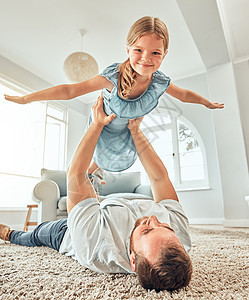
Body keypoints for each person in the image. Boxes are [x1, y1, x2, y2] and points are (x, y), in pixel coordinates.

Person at [0, 93, 192, 292]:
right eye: (165, 227)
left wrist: (97, 124)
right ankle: (97, 180)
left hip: (69, 232)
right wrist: (135, 131)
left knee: (37, 234)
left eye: (147, 230)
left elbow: (76, 174)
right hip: (107, 213)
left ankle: (11, 235)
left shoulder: (94, 245)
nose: (153, 218)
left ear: (133, 261)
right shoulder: (179, 241)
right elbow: (159, 178)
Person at [4, 16, 224, 172]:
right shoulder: (113, 77)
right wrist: (27, 98)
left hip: (126, 128)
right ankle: (88, 174)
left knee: (117, 154)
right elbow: (70, 90)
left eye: (155, 52)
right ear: (128, 49)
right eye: (139, 50)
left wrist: (206, 103)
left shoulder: (159, 82)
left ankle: (95, 171)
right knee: (93, 153)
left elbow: (184, 95)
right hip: (102, 124)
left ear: (164, 54)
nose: (146, 58)